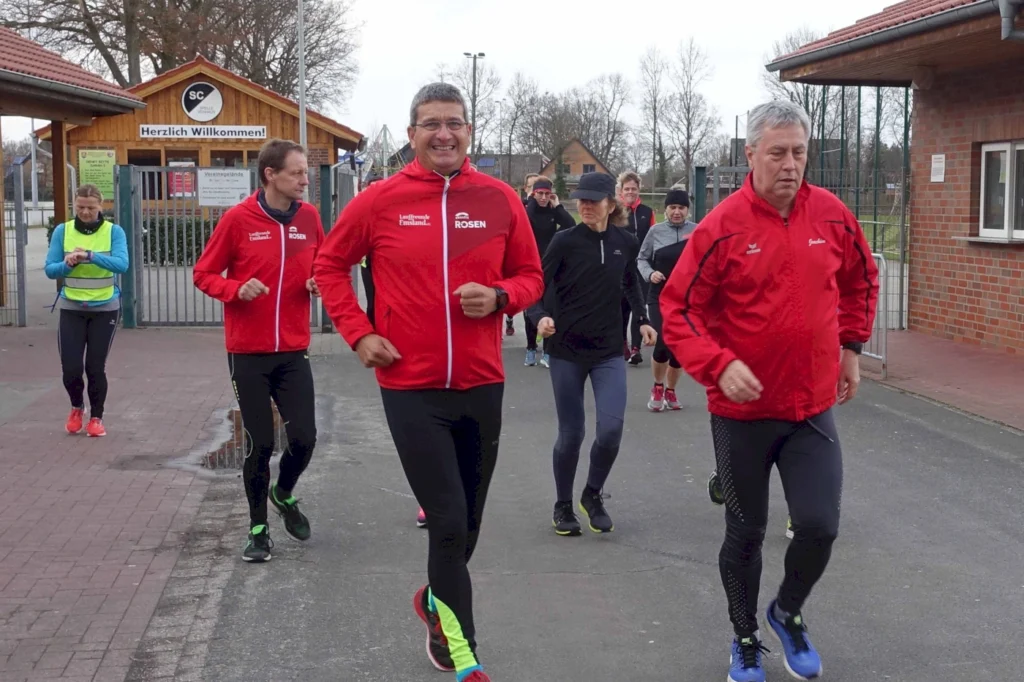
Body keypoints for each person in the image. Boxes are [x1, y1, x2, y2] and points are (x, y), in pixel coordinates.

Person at [313, 82, 544, 682]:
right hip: (410, 386)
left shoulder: (499, 199)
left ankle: (433, 599)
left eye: (455, 123)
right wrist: (359, 333)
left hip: (481, 383)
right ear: (412, 133)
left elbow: (530, 276)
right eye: (431, 123)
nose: (444, 133)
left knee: (468, 524)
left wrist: (499, 297)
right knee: (445, 519)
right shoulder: (380, 200)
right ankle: (462, 648)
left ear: (469, 131)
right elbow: (329, 265)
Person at [660, 100, 879, 682]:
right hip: (742, 415)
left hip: (810, 407)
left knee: (819, 525)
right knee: (747, 531)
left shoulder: (832, 216)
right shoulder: (721, 227)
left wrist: (851, 348)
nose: (789, 164)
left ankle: (786, 612)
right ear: (750, 154)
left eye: (799, 153)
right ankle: (745, 637)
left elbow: (861, 279)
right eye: (777, 152)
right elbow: (678, 309)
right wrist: (715, 363)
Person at [194, 138, 324, 563]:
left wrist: (316, 283)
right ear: (271, 175)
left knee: (304, 437)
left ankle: (283, 493)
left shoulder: (309, 218)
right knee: (260, 443)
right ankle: (257, 530)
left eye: (306, 172)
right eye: (297, 173)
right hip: (247, 352)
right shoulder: (238, 219)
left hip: (292, 349)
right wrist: (235, 288)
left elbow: (323, 266)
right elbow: (203, 273)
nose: (305, 180)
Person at [529, 172, 656, 537]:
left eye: (592, 200)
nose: (585, 205)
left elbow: (631, 284)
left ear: (610, 205)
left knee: (612, 430)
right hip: (566, 350)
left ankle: (592, 494)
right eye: (580, 200)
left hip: (607, 351)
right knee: (572, 434)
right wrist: (540, 317)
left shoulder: (626, 242)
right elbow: (536, 284)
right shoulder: (564, 241)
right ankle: (563, 505)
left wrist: (644, 320)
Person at [44, 184, 129, 438]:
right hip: (72, 307)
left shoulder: (114, 231)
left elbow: (122, 264)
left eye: (91, 208)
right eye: (79, 207)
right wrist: (67, 263)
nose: (85, 212)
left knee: (95, 366)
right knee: (70, 367)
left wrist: (91, 256)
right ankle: (76, 407)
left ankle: (96, 417)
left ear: (101, 207)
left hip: (105, 309)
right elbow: (50, 269)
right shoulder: (63, 231)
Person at [636, 186, 697, 412]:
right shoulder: (656, 231)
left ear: (688, 210)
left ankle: (671, 390)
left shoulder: (698, 231)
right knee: (663, 341)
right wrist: (650, 274)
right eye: (672, 207)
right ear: (665, 210)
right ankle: (658, 387)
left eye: (681, 207)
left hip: (687, 298)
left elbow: (707, 260)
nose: (677, 212)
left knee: (679, 346)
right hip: (659, 295)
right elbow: (641, 259)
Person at [523, 176, 574, 368]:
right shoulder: (528, 209)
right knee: (531, 309)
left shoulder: (553, 211)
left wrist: (558, 206)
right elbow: (523, 222)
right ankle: (530, 348)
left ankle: (547, 351)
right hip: (530, 265)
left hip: (551, 266)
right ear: (534, 194)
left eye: (547, 194)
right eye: (540, 194)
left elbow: (570, 225)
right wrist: (530, 202)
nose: (543, 197)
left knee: (550, 307)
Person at [617, 171, 656, 366]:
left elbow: (653, 239)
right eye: (627, 189)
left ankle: (636, 348)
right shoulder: (616, 212)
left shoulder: (647, 212)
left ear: (639, 190)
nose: (630, 192)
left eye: (634, 189)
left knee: (638, 306)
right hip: (621, 267)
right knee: (622, 308)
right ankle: (623, 341)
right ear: (621, 191)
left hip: (641, 267)